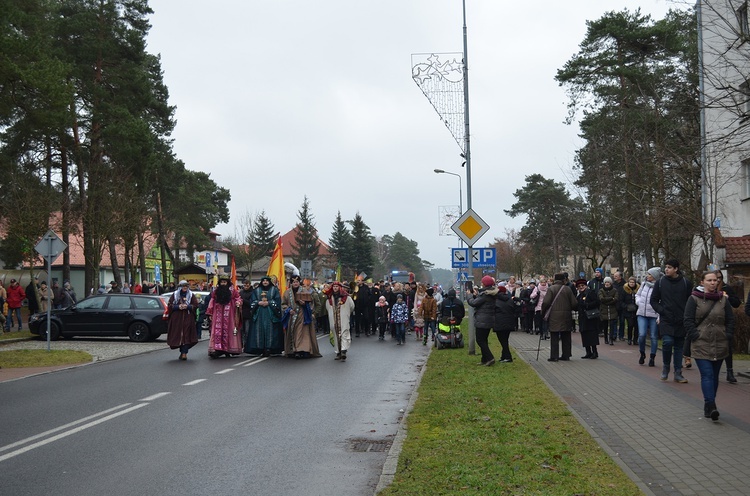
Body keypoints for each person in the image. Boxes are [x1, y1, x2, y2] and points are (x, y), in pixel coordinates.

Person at [684, 271, 734, 421]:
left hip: (720, 343)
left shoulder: (723, 300)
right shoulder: (694, 299)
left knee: (715, 376)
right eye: (710, 280)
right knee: (707, 375)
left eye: (715, 280)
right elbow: (687, 320)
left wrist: (728, 335)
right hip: (701, 343)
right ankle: (711, 405)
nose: (713, 282)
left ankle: (709, 405)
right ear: (702, 282)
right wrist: (696, 335)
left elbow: (730, 320)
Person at [650, 258, 692, 383]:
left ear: (676, 269)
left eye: (669, 267)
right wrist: (661, 310)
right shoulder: (661, 282)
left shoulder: (685, 283)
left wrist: (687, 314)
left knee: (679, 346)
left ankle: (678, 372)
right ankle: (666, 367)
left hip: (681, 320)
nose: (666, 270)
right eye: (666, 267)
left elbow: (691, 301)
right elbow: (653, 300)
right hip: (666, 319)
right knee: (667, 342)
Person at [282, 276, 321, 359]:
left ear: (299, 282)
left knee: (302, 333)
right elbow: (283, 304)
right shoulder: (287, 292)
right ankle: (292, 350)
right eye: (294, 282)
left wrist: (304, 304)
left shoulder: (305, 291)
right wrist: (288, 310)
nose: (295, 283)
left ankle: (302, 350)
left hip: (302, 315)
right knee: (293, 333)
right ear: (291, 283)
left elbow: (311, 304)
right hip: (292, 317)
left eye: (297, 282)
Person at [542, 273, 578, 362]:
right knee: (566, 335)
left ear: (555, 280)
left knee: (554, 336)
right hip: (566, 316)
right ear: (563, 280)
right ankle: (566, 355)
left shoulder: (551, 289)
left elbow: (546, 302)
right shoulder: (568, 289)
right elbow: (574, 304)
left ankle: (554, 356)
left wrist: (543, 312)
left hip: (554, 316)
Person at [245, 276, 283, 356]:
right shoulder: (257, 290)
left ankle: (269, 348)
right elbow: (252, 300)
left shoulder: (274, 290)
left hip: (270, 313)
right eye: (263, 281)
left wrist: (269, 303)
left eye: (267, 281)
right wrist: (258, 303)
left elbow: (278, 301)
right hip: (259, 313)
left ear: (269, 282)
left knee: (270, 330)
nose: (265, 282)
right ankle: (259, 348)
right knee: (259, 330)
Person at [206, 275, 243, 358]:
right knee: (217, 331)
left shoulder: (233, 291)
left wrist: (238, 303)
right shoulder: (216, 292)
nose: (223, 284)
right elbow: (211, 302)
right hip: (218, 314)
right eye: (222, 282)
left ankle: (229, 349)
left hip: (229, 314)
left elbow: (238, 298)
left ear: (228, 283)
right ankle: (217, 349)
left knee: (229, 330)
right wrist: (210, 312)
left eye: (225, 282)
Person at [468, 275, 500, 366]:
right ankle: (484, 359)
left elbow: (473, 303)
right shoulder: (490, 293)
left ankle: (490, 358)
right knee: (484, 339)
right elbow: (479, 302)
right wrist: (475, 295)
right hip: (488, 319)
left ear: (484, 284)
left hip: (482, 320)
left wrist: (469, 296)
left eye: (482, 282)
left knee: (480, 340)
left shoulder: (485, 294)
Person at [715, 271, 741, 383]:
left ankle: (729, 371)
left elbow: (737, 303)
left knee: (727, 347)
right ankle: (713, 371)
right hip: (710, 323)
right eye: (715, 278)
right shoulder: (703, 290)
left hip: (724, 322)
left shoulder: (726, 288)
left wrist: (728, 297)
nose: (717, 280)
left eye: (720, 278)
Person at [166, 280, 200, 360]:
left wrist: (187, 306)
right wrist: (178, 307)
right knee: (178, 335)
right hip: (177, 319)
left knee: (186, 335)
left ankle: (184, 353)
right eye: (183, 286)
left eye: (186, 286)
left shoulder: (191, 295)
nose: (185, 288)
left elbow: (195, 305)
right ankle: (181, 351)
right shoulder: (174, 295)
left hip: (188, 318)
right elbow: (170, 305)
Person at [636, 268, 661, 366]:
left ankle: (652, 357)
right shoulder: (643, 284)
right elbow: (637, 295)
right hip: (642, 314)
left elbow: (661, 302)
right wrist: (639, 302)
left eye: (649, 274)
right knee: (641, 335)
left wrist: (659, 316)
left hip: (653, 315)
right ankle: (642, 353)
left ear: (654, 276)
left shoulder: (659, 286)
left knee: (653, 337)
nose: (647, 276)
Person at [325, 281, 355, 361]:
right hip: (333, 319)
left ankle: (343, 351)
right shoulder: (329, 298)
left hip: (343, 317)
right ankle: (338, 352)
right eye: (334, 286)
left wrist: (346, 313)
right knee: (335, 334)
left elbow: (352, 306)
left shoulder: (346, 297)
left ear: (340, 287)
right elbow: (327, 308)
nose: (335, 288)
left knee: (344, 333)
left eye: (337, 286)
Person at [575, 278, 600, 359]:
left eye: (582, 285)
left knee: (591, 335)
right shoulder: (579, 295)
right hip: (582, 318)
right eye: (579, 286)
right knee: (584, 334)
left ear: (586, 285)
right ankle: (588, 352)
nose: (581, 287)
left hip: (590, 318)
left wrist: (587, 305)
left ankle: (594, 352)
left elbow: (597, 302)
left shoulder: (590, 293)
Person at [494, 285, 516, 363]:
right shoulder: (510, 299)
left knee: (503, 341)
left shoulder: (495, 301)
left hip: (499, 322)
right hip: (509, 322)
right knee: (505, 340)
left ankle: (508, 357)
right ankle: (503, 356)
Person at [598, 277, 619, 345]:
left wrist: (607, 301)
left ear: (611, 283)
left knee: (612, 325)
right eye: (606, 282)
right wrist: (610, 298)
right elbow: (601, 299)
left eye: (608, 282)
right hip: (604, 310)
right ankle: (606, 338)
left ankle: (611, 338)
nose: (607, 284)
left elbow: (615, 299)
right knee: (605, 325)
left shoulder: (614, 290)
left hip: (612, 310)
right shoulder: (601, 290)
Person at [621, 276, 640, 345]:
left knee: (636, 326)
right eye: (630, 282)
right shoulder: (625, 290)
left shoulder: (638, 290)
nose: (632, 283)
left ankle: (635, 339)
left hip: (636, 310)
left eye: (633, 282)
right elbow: (621, 301)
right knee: (630, 325)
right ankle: (629, 338)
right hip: (628, 310)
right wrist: (626, 307)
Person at [239, 279, 254, 344]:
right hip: (241, 314)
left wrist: (243, 300)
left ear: (250, 285)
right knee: (241, 331)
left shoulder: (253, 293)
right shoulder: (241, 292)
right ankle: (241, 344)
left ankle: (247, 344)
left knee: (247, 331)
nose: (246, 287)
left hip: (248, 314)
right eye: (245, 285)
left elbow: (251, 303)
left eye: (247, 285)